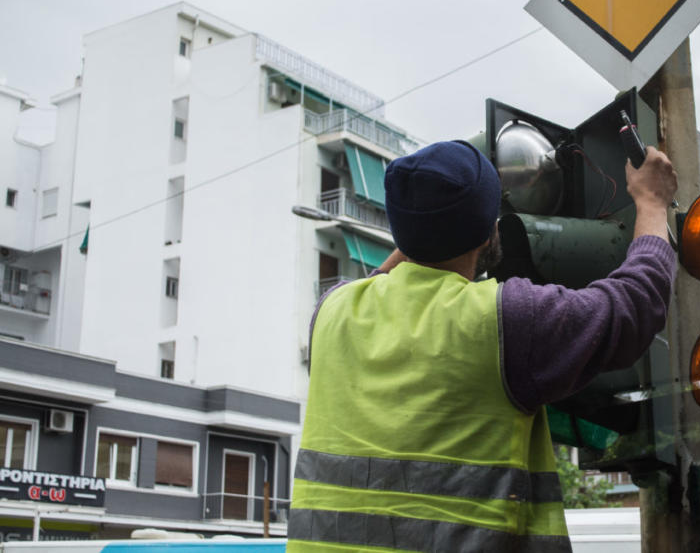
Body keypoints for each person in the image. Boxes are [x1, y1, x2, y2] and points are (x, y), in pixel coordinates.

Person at [287, 139, 677, 553]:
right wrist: (652, 203)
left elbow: (379, 280)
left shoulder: (330, 313)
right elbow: (636, 303)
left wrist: (425, 225)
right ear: (486, 228)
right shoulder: (505, 319)